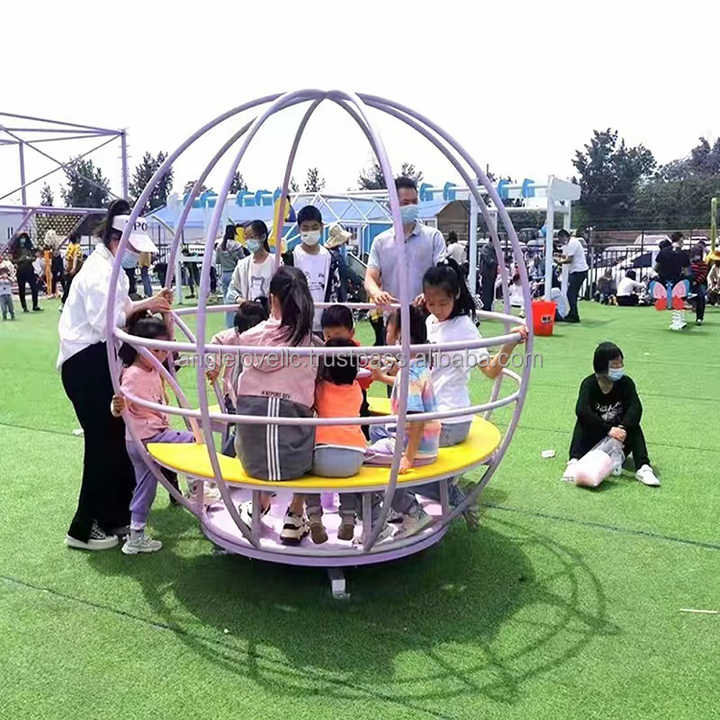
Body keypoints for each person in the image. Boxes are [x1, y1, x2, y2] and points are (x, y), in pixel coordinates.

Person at [58, 199, 172, 551]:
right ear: (116, 241)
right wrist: (145, 306)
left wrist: (148, 303)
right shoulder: (98, 273)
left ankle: (113, 516)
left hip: (99, 359)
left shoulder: (114, 271)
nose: (136, 255)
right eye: (132, 247)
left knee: (115, 438)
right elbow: (103, 323)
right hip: (86, 361)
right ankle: (82, 527)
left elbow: (121, 310)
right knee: (101, 442)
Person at [421, 260, 528, 526]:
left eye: (443, 303)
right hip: (429, 413)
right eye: (431, 302)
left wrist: (509, 344)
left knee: (402, 461)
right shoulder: (431, 320)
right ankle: (442, 492)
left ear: (456, 295)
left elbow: (490, 371)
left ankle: (458, 498)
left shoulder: (464, 328)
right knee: (386, 437)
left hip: (450, 419)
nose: (437, 309)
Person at [232, 266, 319, 545]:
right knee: (317, 422)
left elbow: (236, 391)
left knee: (255, 421)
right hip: (297, 461)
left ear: (272, 299)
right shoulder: (312, 344)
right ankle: (295, 514)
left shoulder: (248, 339)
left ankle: (257, 505)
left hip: (251, 459)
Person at [110, 312, 196, 554]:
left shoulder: (152, 369)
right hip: (148, 439)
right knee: (193, 441)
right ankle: (197, 488)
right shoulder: (133, 374)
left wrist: (167, 315)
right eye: (156, 350)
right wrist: (117, 406)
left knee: (145, 487)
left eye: (164, 350)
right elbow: (120, 403)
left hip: (143, 438)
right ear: (140, 349)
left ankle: (136, 533)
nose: (162, 355)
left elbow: (169, 346)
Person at [365, 305, 440, 538]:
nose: (386, 331)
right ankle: (397, 506)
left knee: (361, 459)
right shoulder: (415, 365)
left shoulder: (409, 373)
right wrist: (382, 377)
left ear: (399, 335)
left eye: (389, 328)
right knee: (375, 438)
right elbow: (406, 387)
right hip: (421, 443)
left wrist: (408, 456)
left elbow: (416, 417)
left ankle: (409, 510)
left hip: (414, 447)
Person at [562, 342, 660, 487]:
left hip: (620, 439)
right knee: (582, 422)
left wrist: (622, 428)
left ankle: (643, 467)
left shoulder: (626, 383)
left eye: (621, 363)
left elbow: (635, 408)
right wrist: (608, 429)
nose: (619, 368)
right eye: (615, 364)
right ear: (601, 365)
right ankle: (574, 462)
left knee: (635, 427)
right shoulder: (589, 384)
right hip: (595, 436)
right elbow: (582, 411)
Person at [306, 338, 374, 544]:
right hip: (353, 457)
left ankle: (314, 516)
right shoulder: (356, 390)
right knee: (348, 481)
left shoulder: (318, 388)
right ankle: (348, 518)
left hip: (321, 455)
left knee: (301, 469)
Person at [364, 177, 446, 316]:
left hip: (427, 316)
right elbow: (370, 278)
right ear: (392, 204)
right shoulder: (380, 242)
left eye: (414, 202)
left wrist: (430, 294)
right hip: (393, 317)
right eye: (405, 203)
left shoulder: (433, 237)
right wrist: (377, 293)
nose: (411, 206)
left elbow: (443, 274)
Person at [226, 220, 277, 326]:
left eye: (252, 237)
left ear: (263, 237)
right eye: (246, 237)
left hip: (270, 319)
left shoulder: (276, 262)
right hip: (248, 319)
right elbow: (231, 291)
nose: (248, 241)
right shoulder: (243, 265)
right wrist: (242, 301)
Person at [289, 205, 331, 333]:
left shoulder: (329, 257)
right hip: (297, 325)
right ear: (299, 229)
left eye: (314, 227)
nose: (310, 231)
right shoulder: (291, 257)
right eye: (305, 228)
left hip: (324, 326)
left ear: (321, 227)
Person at [216, 222, 246, 326]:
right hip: (235, 274)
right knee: (237, 300)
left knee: (227, 301)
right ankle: (238, 324)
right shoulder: (237, 245)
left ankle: (229, 325)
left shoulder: (220, 246)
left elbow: (217, 261)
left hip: (224, 275)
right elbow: (243, 260)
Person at [557, 230, 588, 323]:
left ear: (563, 236)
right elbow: (567, 256)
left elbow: (569, 259)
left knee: (571, 293)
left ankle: (574, 315)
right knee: (572, 293)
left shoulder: (572, 243)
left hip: (579, 271)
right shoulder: (571, 243)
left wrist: (559, 262)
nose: (560, 242)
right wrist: (559, 255)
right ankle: (572, 313)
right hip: (578, 271)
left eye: (560, 239)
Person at [10, 232, 41, 312]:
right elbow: (12, 260)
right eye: (21, 238)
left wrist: (29, 258)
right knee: (22, 289)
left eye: (24, 237)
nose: (23, 239)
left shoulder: (29, 247)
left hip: (30, 269)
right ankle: (24, 307)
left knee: (34, 288)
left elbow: (34, 257)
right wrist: (20, 259)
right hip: (20, 270)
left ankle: (35, 305)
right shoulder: (15, 249)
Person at [325, 223, 351, 303]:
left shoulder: (326, 252)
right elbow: (346, 271)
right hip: (337, 293)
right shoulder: (337, 256)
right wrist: (359, 281)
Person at [61, 234, 83, 307]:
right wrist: (74, 268)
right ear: (77, 239)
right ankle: (66, 302)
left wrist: (67, 268)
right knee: (73, 286)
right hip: (76, 270)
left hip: (69, 269)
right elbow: (76, 257)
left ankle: (64, 302)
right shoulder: (77, 247)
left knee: (69, 285)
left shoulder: (69, 247)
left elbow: (66, 259)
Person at [689, 247, 708, 325]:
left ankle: (699, 317)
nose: (697, 256)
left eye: (698, 254)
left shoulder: (704, 264)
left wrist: (696, 281)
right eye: (695, 254)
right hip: (689, 283)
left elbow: (703, 274)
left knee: (701, 296)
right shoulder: (689, 263)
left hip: (699, 283)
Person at [477, 242, 498, 311]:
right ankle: (486, 308)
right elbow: (489, 260)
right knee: (487, 293)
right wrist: (496, 263)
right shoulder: (486, 248)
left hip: (492, 274)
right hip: (487, 274)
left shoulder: (493, 248)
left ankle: (488, 307)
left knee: (490, 293)